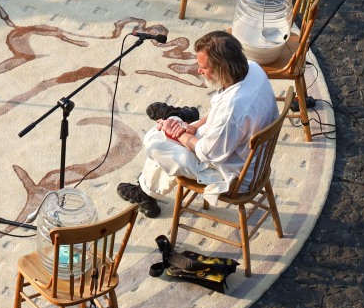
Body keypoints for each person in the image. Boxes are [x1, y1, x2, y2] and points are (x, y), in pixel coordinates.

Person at [115, 32, 279, 217]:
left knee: (155, 139)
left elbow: (207, 153)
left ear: (223, 68)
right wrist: (192, 127)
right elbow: (221, 110)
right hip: (248, 154)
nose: (198, 71)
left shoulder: (232, 110)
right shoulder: (253, 68)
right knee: (171, 132)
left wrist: (175, 133)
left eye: (203, 67)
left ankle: (145, 191)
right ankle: (180, 119)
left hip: (232, 174)